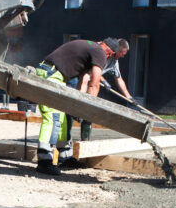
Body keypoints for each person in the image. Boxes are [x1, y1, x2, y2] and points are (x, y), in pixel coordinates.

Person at [34, 38, 118, 175]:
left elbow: (83, 80)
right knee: (53, 117)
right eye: (110, 55)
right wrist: (89, 111)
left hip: (52, 72)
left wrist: (77, 106)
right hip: (52, 75)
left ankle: (65, 157)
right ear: (110, 51)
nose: (108, 58)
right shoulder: (100, 53)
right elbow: (94, 84)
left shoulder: (90, 49)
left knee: (63, 119)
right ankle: (44, 161)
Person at [74, 38, 133, 140]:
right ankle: (79, 109)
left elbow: (119, 79)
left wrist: (129, 97)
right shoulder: (100, 50)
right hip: (78, 76)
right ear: (116, 51)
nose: (123, 56)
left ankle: (85, 139)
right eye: (123, 53)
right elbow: (94, 68)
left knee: (89, 113)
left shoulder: (114, 61)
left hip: (91, 81)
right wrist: (103, 80)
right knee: (74, 109)